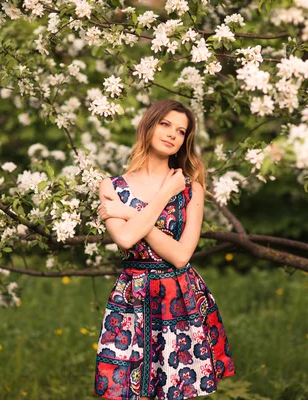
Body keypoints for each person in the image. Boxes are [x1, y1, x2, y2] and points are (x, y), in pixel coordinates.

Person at [94, 100, 235, 400]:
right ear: (149, 125)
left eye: (181, 131)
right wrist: (164, 196)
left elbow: (181, 256)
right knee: (129, 392)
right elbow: (126, 239)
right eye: (165, 124)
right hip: (133, 296)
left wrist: (131, 211)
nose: (173, 134)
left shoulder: (190, 188)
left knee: (175, 389)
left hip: (178, 296)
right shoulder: (111, 186)